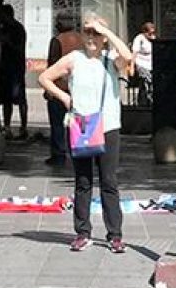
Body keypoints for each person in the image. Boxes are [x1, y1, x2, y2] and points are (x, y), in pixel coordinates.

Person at [39, 15, 132, 253]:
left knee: (109, 181)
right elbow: (45, 77)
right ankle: (82, 232)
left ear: (104, 38)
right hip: (81, 126)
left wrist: (106, 31)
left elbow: (128, 56)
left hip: (108, 127)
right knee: (83, 181)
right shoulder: (74, 58)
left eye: (96, 33)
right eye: (87, 32)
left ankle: (115, 235)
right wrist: (64, 97)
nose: (91, 37)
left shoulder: (111, 60)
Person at [44, 17, 84, 165]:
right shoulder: (81, 39)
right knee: (77, 122)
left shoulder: (57, 40)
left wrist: (48, 89)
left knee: (57, 123)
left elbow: (52, 64)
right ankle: (79, 151)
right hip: (78, 87)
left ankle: (59, 154)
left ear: (59, 25)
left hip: (59, 88)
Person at [0, 4, 28, 139]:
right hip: (5, 68)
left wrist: (7, 42)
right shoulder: (2, 29)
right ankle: (7, 126)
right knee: (6, 99)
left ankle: (23, 127)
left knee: (20, 98)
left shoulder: (17, 29)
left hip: (16, 67)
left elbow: (19, 48)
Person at [130, 21, 156, 106]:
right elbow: (134, 53)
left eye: (153, 33)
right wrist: (132, 67)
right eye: (150, 33)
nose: (152, 35)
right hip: (141, 64)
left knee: (147, 85)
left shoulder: (152, 39)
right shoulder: (139, 39)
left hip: (150, 65)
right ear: (145, 32)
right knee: (146, 80)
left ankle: (145, 100)